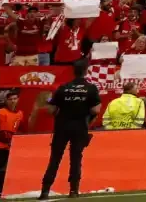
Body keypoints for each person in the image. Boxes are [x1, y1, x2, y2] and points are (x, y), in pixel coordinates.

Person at [38, 60, 101, 199]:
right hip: (79, 127)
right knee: (76, 158)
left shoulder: (63, 87)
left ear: (74, 71)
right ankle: (73, 191)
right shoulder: (91, 88)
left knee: (55, 158)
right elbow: (96, 109)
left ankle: (45, 191)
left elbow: (51, 109)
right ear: (86, 71)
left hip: (62, 126)